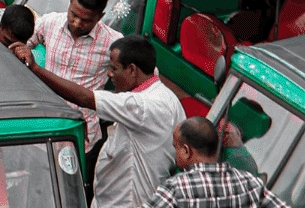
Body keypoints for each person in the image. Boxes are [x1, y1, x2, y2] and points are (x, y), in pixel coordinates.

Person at [13, 35, 184, 208]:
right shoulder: (168, 99)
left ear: (132, 70)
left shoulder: (142, 105)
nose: (109, 74)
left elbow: (85, 98)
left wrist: (35, 68)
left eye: (113, 68)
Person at [26, 0, 122, 151]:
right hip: (43, 129)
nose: (77, 23)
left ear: (100, 17)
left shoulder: (113, 43)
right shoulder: (50, 23)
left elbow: (142, 77)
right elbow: (22, 42)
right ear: (70, 2)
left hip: (80, 140)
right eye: (74, 14)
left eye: (86, 20)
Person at [140, 117, 289, 208]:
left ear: (186, 151)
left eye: (176, 147)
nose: (175, 153)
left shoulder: (176, 189)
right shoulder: (250, 183)